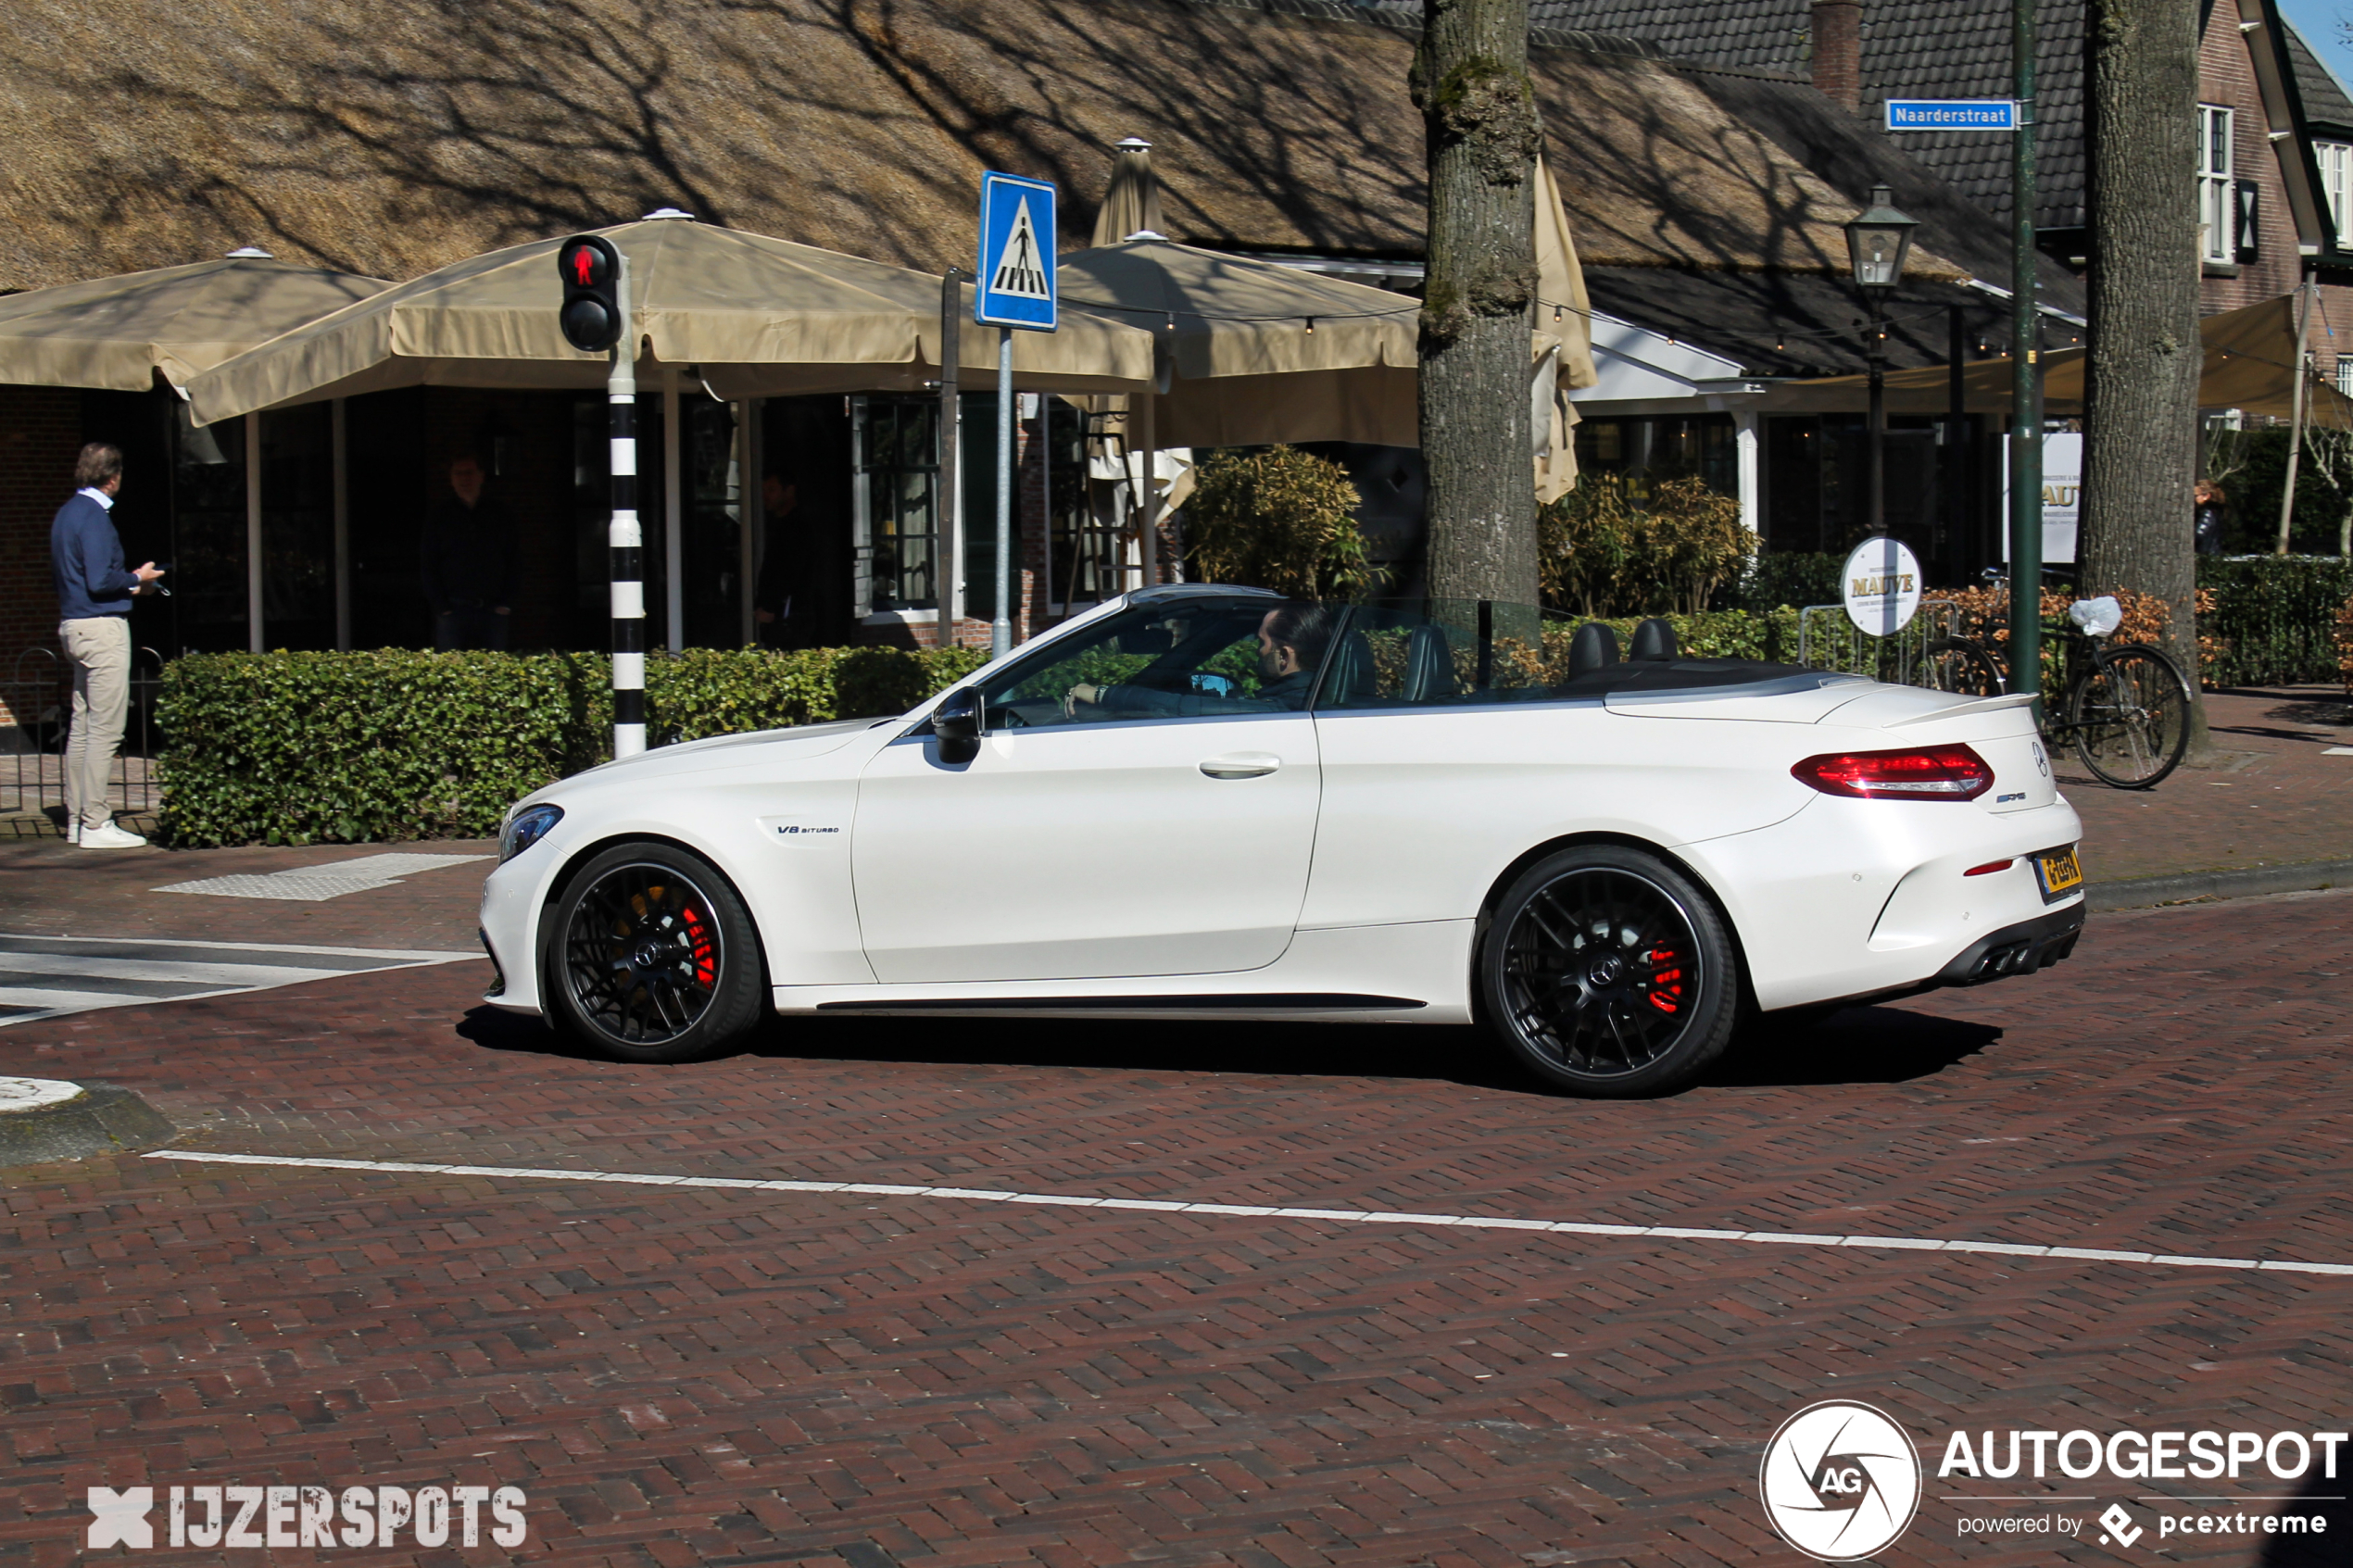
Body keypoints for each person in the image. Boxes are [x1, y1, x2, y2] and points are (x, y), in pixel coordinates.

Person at [49, 443, 164, 848]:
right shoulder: (95, 518)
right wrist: (138, 578)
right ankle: (96, 822)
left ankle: (78, 819)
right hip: (102, 631)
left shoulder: (66, 514)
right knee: (105, 728)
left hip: (74, 626)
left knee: (81, 727)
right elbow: (101, 579)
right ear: (113, 477)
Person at [420, 453, 519, 649]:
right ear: (451, 478)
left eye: (469, 472)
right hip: (453, 608)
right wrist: (441, 606)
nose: (464, 478)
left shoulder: (499, 513)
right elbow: (428, 562)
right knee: (451, 672)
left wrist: (507, 602)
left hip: (493, 608)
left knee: (496, 672)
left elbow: (514, 559)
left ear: (481, 476)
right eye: (458, 473)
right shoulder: (440, 516)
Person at [752, 474, 807, 647]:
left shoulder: (796, 529)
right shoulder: (779, 526)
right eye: (763, 490)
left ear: (789, 491)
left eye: (772, 490)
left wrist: (771, 609)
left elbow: (790, 572)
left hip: (790, 621)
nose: (765, 496)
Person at [2194, 478, 2227, 556]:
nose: (2194, 499)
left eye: (2196, 495)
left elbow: (2198, 535)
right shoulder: (2216, 512)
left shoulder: (2207, 513)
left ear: (2206, 496)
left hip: (2203, 557)